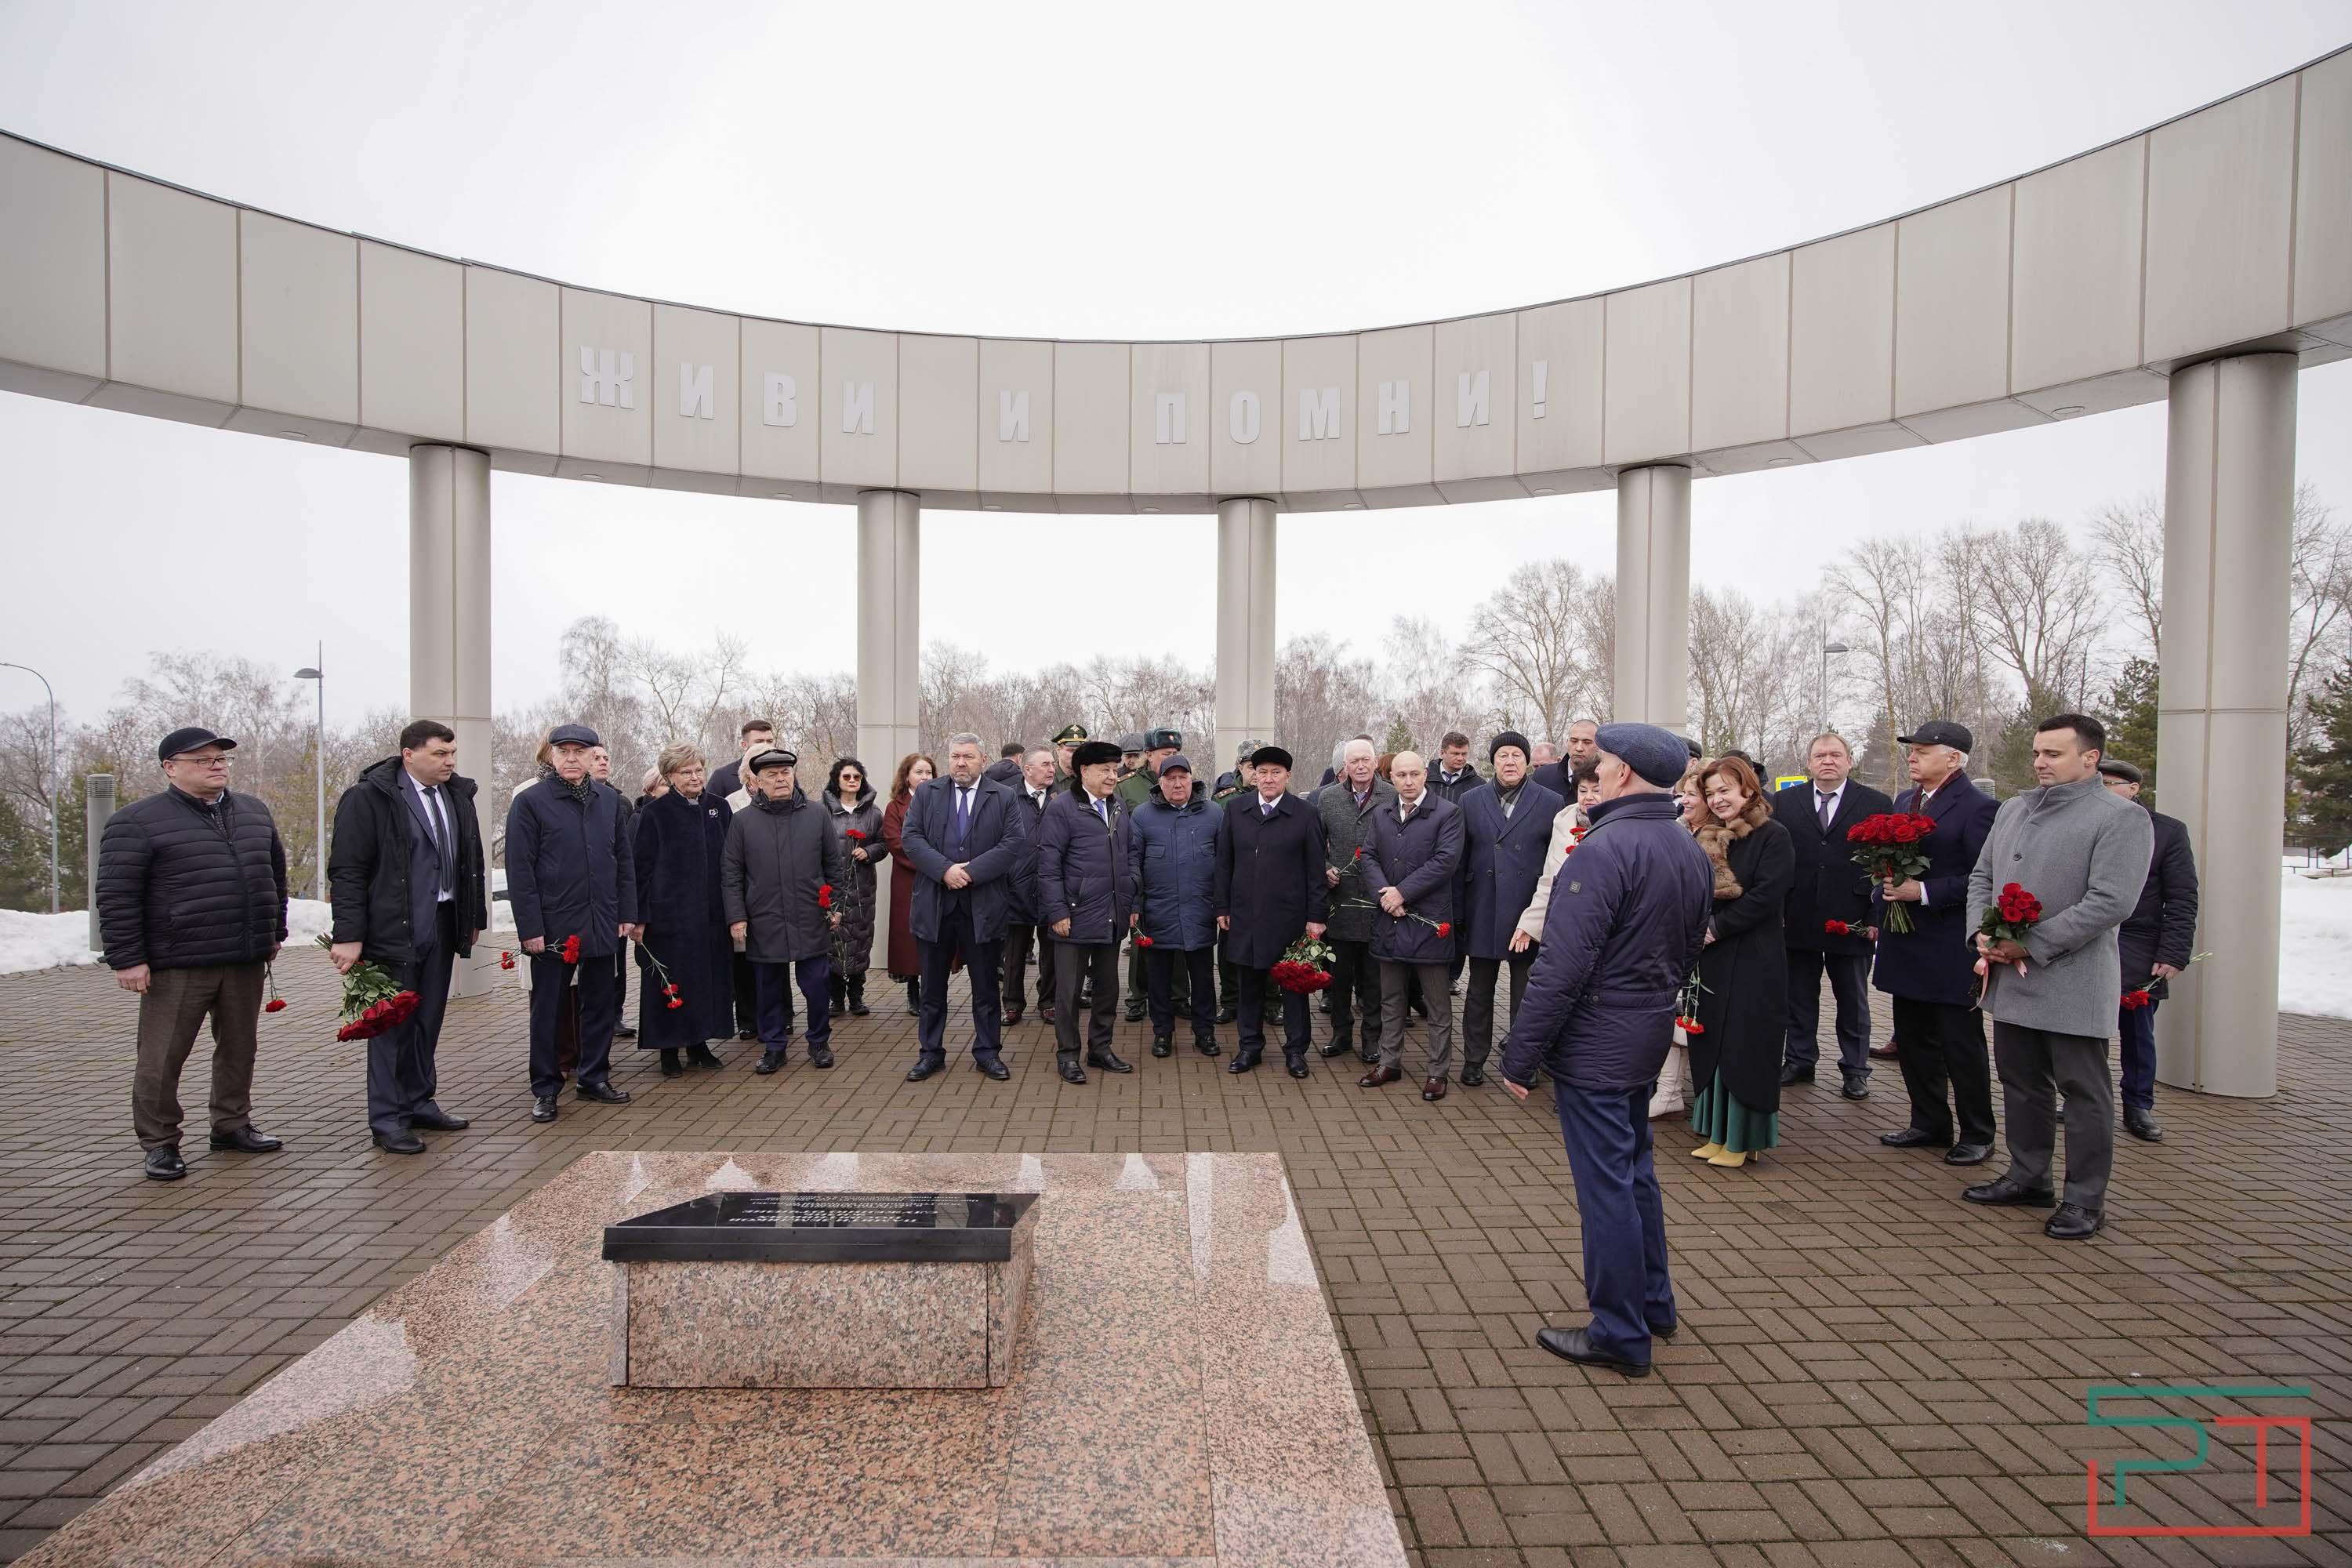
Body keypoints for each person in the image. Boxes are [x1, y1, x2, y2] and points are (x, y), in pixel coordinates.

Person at [1497, 722, 1713, 1377]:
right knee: (1634, 1172)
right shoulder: (1685, 845)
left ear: (1620, 774)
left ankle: (1620, 1333)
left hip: (1598, 1042)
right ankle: (1652, 1305)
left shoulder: (1605, 849)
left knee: (1607, 1189)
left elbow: (1563, 966)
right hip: (1643, 1032)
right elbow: (1686, 947)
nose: (1597, 770)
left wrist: (1520, 1056)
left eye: (1604, 761)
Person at [1962, 715, 2153, 1241]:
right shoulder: (2014, 810)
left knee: (2084, 1093)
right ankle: (2028, 1177)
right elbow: (1983, 877)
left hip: (2073, 979)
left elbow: (2112, 901)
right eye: (2038, 753)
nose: (2040, 762)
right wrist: (1983, 932)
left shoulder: (2120, 819)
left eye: (2054, 754)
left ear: (2090, 759)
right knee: (2021, 1084)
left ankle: (2086, 1201)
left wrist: (2030, 942)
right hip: (2011, 978)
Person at [99, 726, 290, 1181]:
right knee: (162, 1057)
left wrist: (274, 931)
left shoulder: (253, 812)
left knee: (239, 1049)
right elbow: (116, 895)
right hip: (177, 962)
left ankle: (231, 1125)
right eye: (202, 760)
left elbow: (274, 878)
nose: (217, 766)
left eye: (221, 759)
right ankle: (160, 1142)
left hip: (243, 955)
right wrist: (127, 958)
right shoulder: (137, 821)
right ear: (171, 768)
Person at [325, 718, 488, 1152]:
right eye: (440, 754)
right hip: (391, 929)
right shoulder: (370, 798)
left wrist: (474, 917)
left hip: (443, 922)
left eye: (452, 754)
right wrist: (349, 935)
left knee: (427, 1019)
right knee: (391, 1024)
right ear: (409, 755)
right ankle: (388, 1118)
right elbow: (348, 870)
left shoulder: (457, 796)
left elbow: (471, 860)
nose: (449, 762)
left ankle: (419, 1101)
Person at [1871, 720, 2001, 1164]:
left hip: (1948, 945)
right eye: (1912, 749)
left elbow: (1984, 878)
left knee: (1959, 1044)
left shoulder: (1980, 808)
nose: (1912, 756)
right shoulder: (1906, 800)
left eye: (1923, 750)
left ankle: (1978, 1132)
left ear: (1953, 758)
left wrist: (1923, 892)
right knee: (1913, 1038)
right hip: (1906, 940)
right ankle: (1929, 1121)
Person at [506, 723, 639, 1123]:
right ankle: (546, 1089)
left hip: (602, 921)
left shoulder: (609, 802)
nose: (571, 758)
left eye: (579, 751)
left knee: (599, 1004)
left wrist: (627, 913)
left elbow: (623, 861)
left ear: (591, 755)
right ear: (550, 755)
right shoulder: (530, 802)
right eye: (562, 751)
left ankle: (594, 1077)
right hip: (553, 926)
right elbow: (520, 871)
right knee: (549, 1009)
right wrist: (530, 929)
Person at [1683, 756, 1795, 1169]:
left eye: (1725, 790)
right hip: (1713, 957)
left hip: (1754, 957)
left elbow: (1767, 897)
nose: (1718, 799)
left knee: (1745, 1047)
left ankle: (1742, 1139)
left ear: (1748, 789)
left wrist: (1717, 927)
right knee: (1713, 1041)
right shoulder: (1706, 836)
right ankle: (1717, 1132)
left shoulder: (1773, 835)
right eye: (1711, 793)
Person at [899, 733, 1028, 1081]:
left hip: (983, 907)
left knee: (986, 988)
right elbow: (911, 838)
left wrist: (968, 873)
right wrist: (944, 870)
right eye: (955, 756)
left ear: (982, 759)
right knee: (932, 990)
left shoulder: (1002, 797)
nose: (960, 763)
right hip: (935, 906)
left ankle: (987, 1053)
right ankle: (930, 1053)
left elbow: (1013, 843)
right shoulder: (928, 793)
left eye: (968, 757)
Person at [1772, 731, 1892, 1100]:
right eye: (1820, 755)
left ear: (1849, 761)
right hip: (1798, 913)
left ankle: (1855, 1069)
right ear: (1808, 763)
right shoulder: (1783, 802)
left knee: (1852, 999)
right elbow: (1774, 860)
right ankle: (1800, 1059)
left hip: (1851, 917)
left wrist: (1876, 917)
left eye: (1836, 755)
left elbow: (1886, 864)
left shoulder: (1875, 802)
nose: (1828, 760)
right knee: (1799, 995)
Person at [722, 748, 847, 1073]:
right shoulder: (742, 822)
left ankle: (819, 1042)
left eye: (785, 773)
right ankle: (774, 1047)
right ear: (756, 781)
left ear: (793, 775)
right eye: (772, 775)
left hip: (810, 915)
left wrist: (835, 906)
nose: (780, 779)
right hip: (765, 919)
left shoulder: (817, 814)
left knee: (817, 986)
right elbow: (731, 874)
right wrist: (737, 917)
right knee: (769, 990)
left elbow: (833, 865)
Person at [2098, 757, 2198, 1143]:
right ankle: (2083, 1098)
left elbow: (2182, 897)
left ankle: (2138, 1104)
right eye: (2097, 782)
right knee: (2082, 1027)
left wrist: (2174, 953)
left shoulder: (2167, 832)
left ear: (2133, 789)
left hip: (2137, 945)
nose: (2102, 789)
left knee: (2137, 1029)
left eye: (2110, 783)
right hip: (2086, 939)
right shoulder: (2086, 822)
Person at [1454, 731, 1562, 1088]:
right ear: (1493, 761)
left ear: (1527, 761)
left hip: (1527, 911)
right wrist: (1459, 913)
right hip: (1483, 906)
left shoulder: (1550, 801)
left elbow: (1555, 862)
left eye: (1517, 754)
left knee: (1526, 995)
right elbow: (1460, 859)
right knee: (1479, 993)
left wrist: (1544, 916)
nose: (1510, 761)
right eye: (1503, 755)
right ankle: (1473, 1059)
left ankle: (1523, 1062)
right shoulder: (1471, 801)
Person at [1215, 745, 1328, 1077]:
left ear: (1287, 776)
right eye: (1261, 772)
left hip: (1290, 920)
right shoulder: (1236, 810)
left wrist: (1317, 917)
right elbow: (1224, 863)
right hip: (1245, 917)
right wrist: (1221, 905)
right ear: (1252, 775)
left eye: (1275, 773)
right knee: (1248, 987)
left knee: (1293, 988)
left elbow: (1315, 871)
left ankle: (1296, 1051)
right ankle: (1250, 1047)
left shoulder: (1305, 814)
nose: (1268, 778)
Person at [1358, 750, 1465, 1101]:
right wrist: (1385, 896)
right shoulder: (1382, 813)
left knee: (1436, 1004)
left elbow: (1445, 862)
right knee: (1391, 999)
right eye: (1400, 775)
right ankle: (1389, 1062)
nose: (1407, 781)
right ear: (1392, 778)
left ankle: (1438, 1071)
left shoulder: (1448, 814)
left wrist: (1402, 893)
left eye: (1414, 775)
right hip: (1389, 918)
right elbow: (1369, 856)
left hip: (1427, 921)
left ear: (1425, 775)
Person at [629, 743, 734, 1077]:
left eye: (699, 770)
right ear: (670, 777)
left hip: (711, 915)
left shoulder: (719, 808)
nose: (695, 777)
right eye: (686, 772)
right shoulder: (656, 813)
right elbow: (640, 868)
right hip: (669, 917)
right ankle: (668, 1050)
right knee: (670, 981)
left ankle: (699, 1044)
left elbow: (732, 863)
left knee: (706, 981)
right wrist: (640, 917)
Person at [1036, 739, 1137, 1083]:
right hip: (1074, 918)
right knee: (1068, 992)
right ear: (1084, 771)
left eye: (1115, 769)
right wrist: (1058, 912)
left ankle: (1101, 1049)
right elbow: (1048, 866)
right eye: (1105, 770)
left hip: (1112, 915)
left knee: (1108, 989)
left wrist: (1130, 897)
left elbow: (1130, 857)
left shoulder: (1119, 807)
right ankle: (1068, 1055)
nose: (1113, 776)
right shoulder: (1062, 807)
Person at [1129, 753, 1224, 1058]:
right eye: (1170, 778)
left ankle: (1204, 1033)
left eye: (1183, 777)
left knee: (1203, 978)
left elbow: (1225, 865)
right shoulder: (1143, 816)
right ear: (1161, 783)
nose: (1177, 784)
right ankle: (1162, 1033)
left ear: (1191, 780)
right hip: (1158, 912)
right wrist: (1135, 905)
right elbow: (1134, 865)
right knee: (1158, 980)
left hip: (1200, 910)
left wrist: (1223, 905)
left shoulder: (1213, 814)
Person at [1316, 738, 1395, 1063]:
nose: (1360, 766)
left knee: (1374, 979)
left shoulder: (1391, 795)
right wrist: (1325, 868)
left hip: (1379, 901)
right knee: (1339, 978)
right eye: (1354, 762)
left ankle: (1372, 1038)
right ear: (1344, 767)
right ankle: (1341, 1033)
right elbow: (1315, 845)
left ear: (1375, 762)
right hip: (1341, 902)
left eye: (1366, 759)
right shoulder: (1327, 799)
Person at [1115, 728, 1183, 1020]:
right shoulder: (1126, 786)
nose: (1171, 759)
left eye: (1175, 754)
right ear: (1148, 756)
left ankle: (1179, 996)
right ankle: (1138, 996)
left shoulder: (1182, 783)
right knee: (1142, 940)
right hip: (1141, 874)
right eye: (1166, 755)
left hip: (1176, 874)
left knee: (1180, 941)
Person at [822, 757, 887, 1018]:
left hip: (862, 887)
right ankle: (835, 998)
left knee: (860, 939)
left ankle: (857, 996)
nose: (852, 781)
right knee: (832, 941)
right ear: (837, 780)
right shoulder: (821, 811)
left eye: (857, 777)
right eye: (847, 777)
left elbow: (884, 844)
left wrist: (869, 852)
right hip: (831, 887)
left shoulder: (873, 813)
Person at [1001, 747, 1058, 1027]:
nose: (1051, 769)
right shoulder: (1007, 797)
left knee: (1052, 952)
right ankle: (1012, 1004)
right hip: (1015, 888)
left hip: (1051, 888)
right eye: (1045, 764)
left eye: (1053, 764)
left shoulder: (1062, 799)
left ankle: (1048, 1002)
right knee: (1014, 954)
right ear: (1027, 769)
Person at [882, 753, 937, 1017]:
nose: (925, 777)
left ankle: (934, 988)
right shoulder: (895, 807)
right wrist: (932, 862)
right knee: (910, 935)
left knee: (937, 932)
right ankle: (913, 988)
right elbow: (895, 842)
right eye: (919, 772)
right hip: (909, 878)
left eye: (929, 772)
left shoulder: (943, 802)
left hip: (940, 879)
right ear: (907, 776)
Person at [590, 746, 638, 1040]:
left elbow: (626, 856)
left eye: (606, 758)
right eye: (596, 758)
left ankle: (615, 1014)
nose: (603, 762)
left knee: (616, 963)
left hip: (613, 901)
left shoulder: (620, 803)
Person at [707, 718, 776, 802]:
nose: (766, 746)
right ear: (744, 745)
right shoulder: (722, 777)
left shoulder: (784, 774)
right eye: (759, 741)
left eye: (770, 741)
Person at [1429, 732, 1479, 804]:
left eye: (1464, 754)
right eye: (1455, 754)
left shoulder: (1478, 784)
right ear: (1442, 753)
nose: (1460, 758)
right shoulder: (1423, 780)